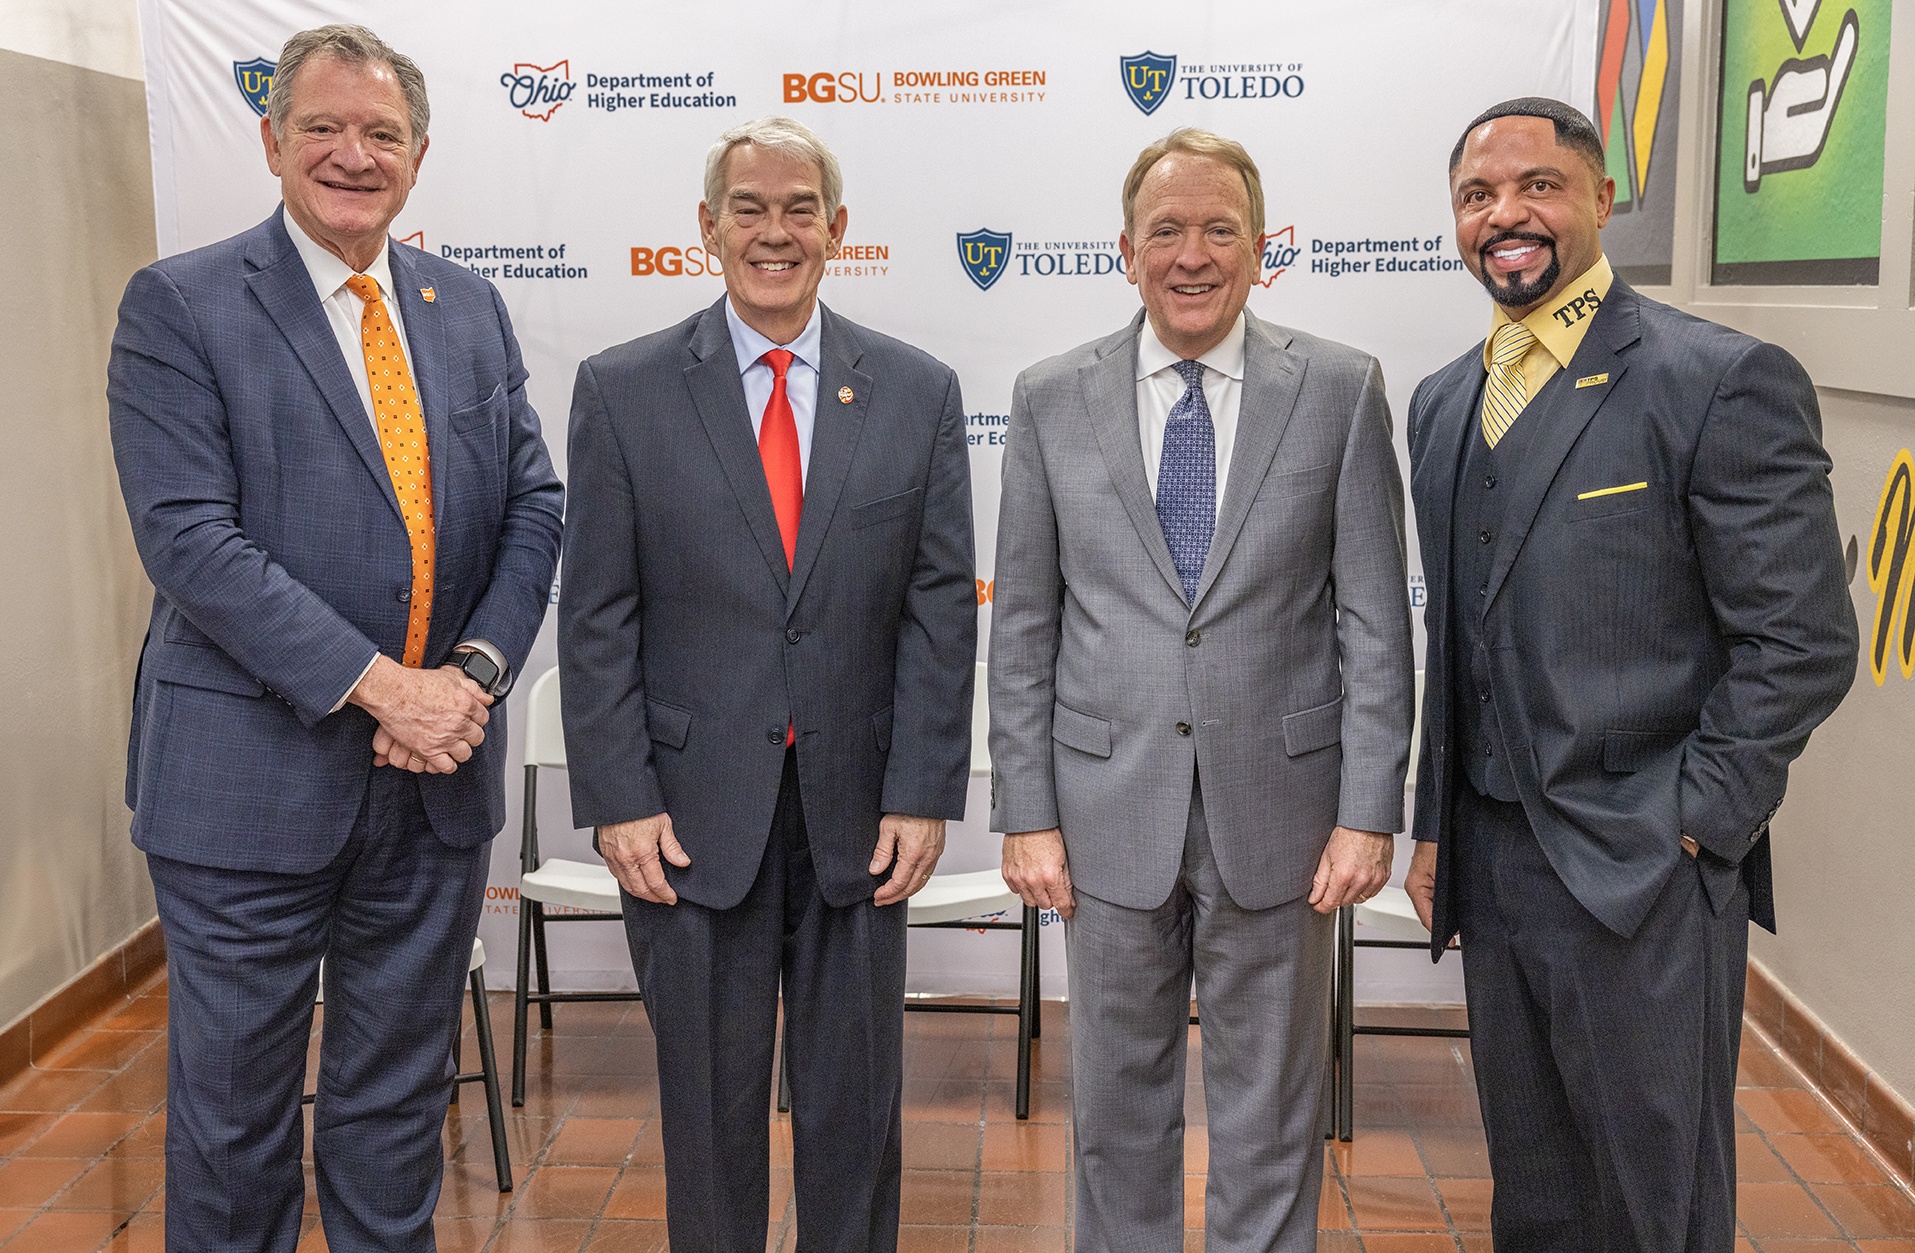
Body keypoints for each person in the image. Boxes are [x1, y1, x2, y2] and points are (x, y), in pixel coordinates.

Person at [105, 23, 563, 1252]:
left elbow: (534, 505)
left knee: (394, 1105)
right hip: (245, 786)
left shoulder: (465, 308)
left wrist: (465, 678)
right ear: (270, 140)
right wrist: (382, 691)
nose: (352, 155)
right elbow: (191, 540)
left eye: (382, 134)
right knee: (237, 1119)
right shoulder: (181, 305)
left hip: (433, 783)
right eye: (324, 127)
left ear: (418, 158)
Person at [1403, 97, 1858, 1249]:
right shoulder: (1444, 400)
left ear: (1602, 199)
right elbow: (1456, 647)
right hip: (1495, 864)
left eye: (1537, 186)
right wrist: (1432, 828)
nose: (1505, 215)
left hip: (1647, 872)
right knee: (1539, 1196)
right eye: (1476, 196)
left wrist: (1696, 822)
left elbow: (1801, 641)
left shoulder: (1718, 379)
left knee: (1656, 1204)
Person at [988, 128, 1414, 1251]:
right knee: (1113, 1118)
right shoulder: (1047, 399)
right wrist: (1025, 810)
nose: (1191, 254)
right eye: (1165, 230)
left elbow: (1374, 620)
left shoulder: (1338, 389)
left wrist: (1370, 809)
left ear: (1261, 247)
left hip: (1282, 817)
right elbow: (1023, 626)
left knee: (1274, 1115)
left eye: (1218, 228)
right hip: (1102, 814)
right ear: (1123, 250)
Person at [557, 116, 975, 1252]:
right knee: (707, 1118)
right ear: (706, 229)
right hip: (689, 824)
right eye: (749, 208)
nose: (774, 232)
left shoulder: (916, 390)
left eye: (800, 210)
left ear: (837, 231)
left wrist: (925, 785)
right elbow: (595, 614)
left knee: (855, 1116)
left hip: (859, 821)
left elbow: (940, 611)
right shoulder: (623, 388)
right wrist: (618, 796)